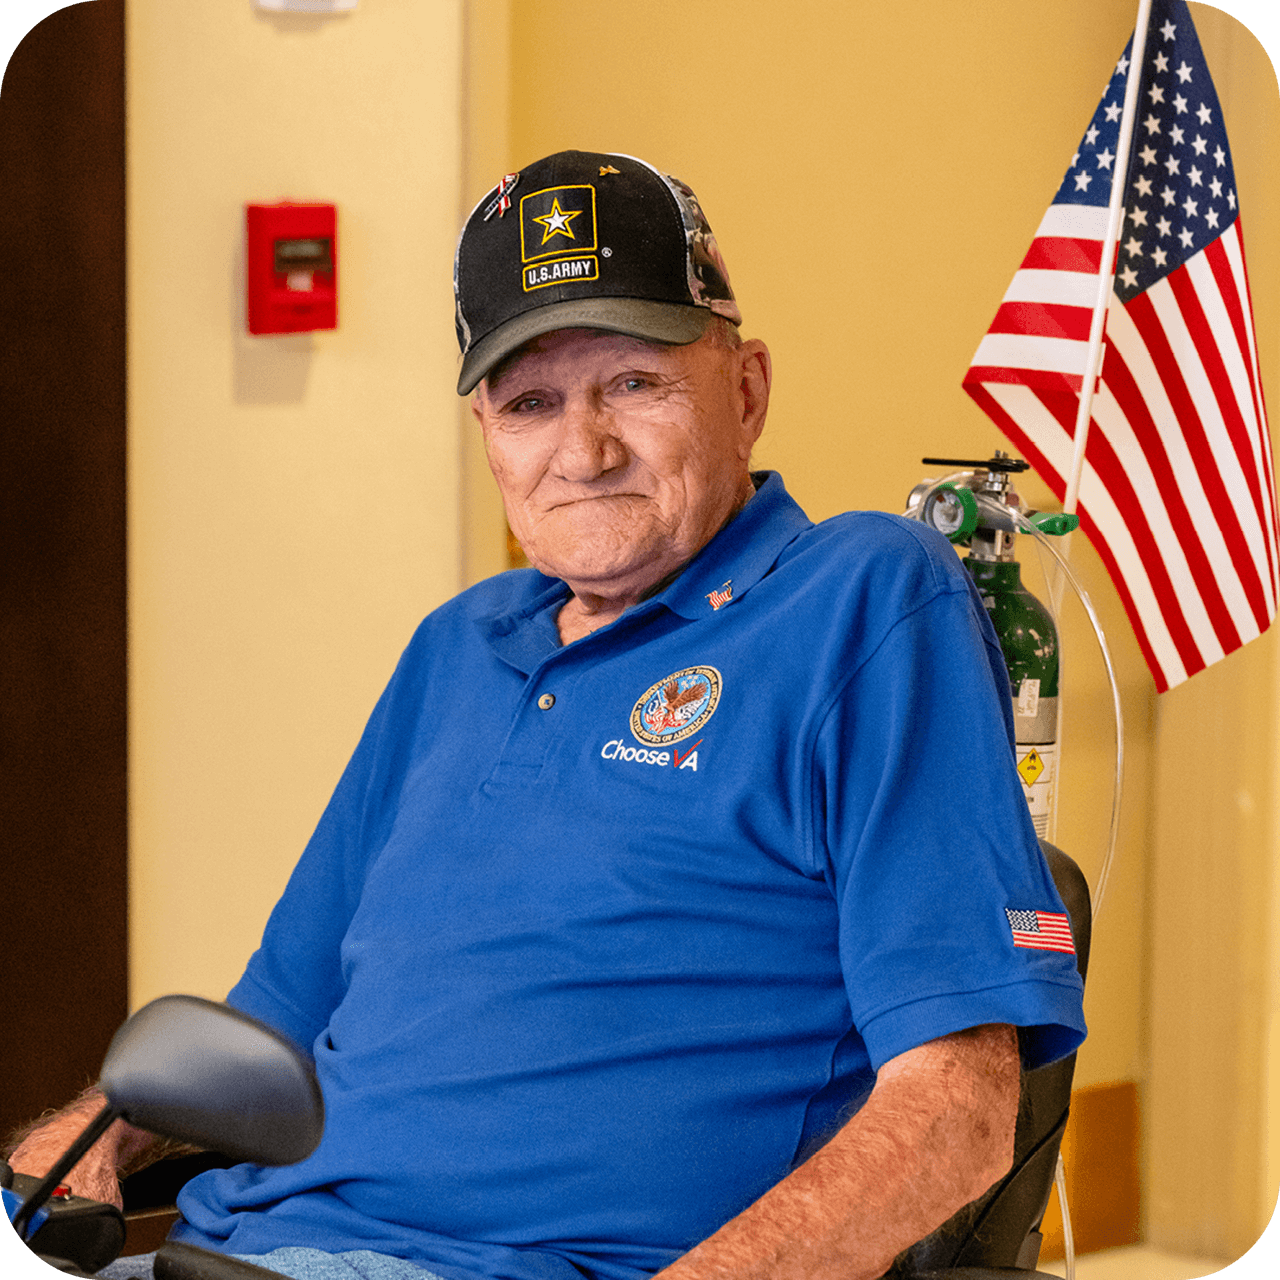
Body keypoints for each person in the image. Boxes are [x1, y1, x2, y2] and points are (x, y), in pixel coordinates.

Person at [8, 150, 1086, 1280]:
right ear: (486, 431)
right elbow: (273, 1022)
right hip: (232, 1248)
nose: (582, 451)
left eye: (631, 382)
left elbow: (956, 1109)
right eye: (529, 403)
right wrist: (87, 1134)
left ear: (747, 390)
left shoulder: (859, 595)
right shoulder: (457, 646)